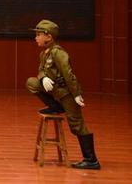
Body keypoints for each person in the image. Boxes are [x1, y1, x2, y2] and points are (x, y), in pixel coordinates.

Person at [26, 19, 101, 169]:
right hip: (55, 92)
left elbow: (69, 74)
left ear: (49, 36)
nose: (36, 37)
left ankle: (91, 159)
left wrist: (76, 94)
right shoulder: (44, 54)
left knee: (76, 124)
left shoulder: (58, 53)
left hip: (65, 93)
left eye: (39, 34)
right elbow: (41, 70)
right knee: (32, 82)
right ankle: (55, 106)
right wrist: (43, 77)